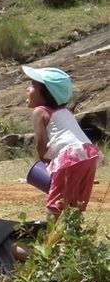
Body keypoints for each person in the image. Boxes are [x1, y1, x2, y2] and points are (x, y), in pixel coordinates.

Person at [23, 66, 101, 217]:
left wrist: (45, 162)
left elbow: (41, 144)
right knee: (75, 205)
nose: (27, 89)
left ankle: (50, 240)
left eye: (33, 85)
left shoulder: (40, 112)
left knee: (55, 205)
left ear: (46, 93)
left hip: (69, 156)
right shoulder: (66, 111)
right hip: (88, 154)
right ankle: (75, 238)